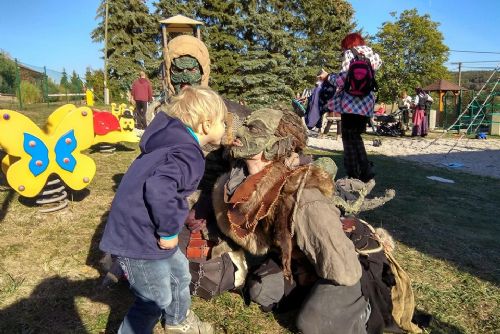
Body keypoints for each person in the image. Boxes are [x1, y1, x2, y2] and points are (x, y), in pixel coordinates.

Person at [99, 86, 227, 334]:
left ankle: (177, 322)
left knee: (180, 275)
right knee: (153, 299)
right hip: (140, 238)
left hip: (148, 230)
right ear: (206, 124)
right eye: (223, 122)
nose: (225, 128)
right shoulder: (186, 153)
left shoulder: (172, 143)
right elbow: (159, 190)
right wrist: (169, 232)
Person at [332, 32, 382, 182]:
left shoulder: (349, 54)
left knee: (348, 138)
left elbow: (342, 79)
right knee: (356, 136)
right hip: (366, 102)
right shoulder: (373, 56)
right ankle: (364, 169)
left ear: (348, 44)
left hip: (350, 102)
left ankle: (353, 173)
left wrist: (329, 77)